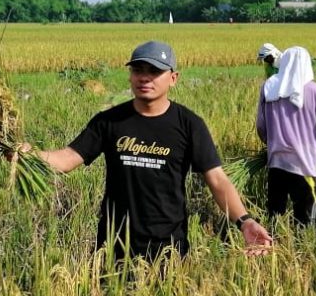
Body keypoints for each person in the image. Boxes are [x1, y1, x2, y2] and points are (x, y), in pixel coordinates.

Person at [19, 40, 273, 259]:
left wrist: (245, 221)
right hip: (113, 245)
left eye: (154, 71)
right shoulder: (109, 121)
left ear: (173, 78)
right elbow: (66, 159)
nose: (145, 77)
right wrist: (28, 154)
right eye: (138, 70)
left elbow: (217, 179)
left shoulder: (189, 125)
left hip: (168, 247)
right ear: (130, 76)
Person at [255, 46, 316, 226]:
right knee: (307, 219)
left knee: (275, 217)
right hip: (304, 165)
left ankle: (273, 250)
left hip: (276, 164)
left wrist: (272, 146)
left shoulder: (269, 89)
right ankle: (303, 252)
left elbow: (261, 127)